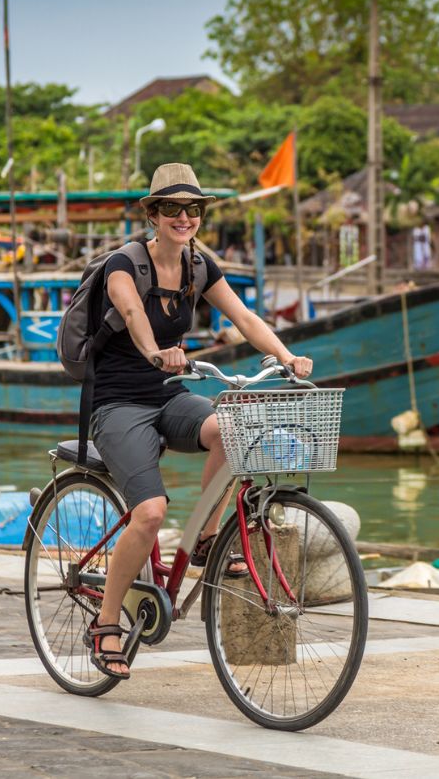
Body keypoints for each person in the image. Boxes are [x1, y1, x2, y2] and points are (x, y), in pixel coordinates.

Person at [83, 163, 314, 679]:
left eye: (193, 209)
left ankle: (207, 539)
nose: (184, 217)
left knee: (233, 430)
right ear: (152, 214)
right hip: (118, 404)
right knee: (148, 513)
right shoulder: (124, 264)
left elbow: (246, 318)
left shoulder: (198, 265)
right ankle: (105, 624)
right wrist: (155, 351)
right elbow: (134, 315)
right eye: (172, 208)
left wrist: (287, 356)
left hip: (168, 395)